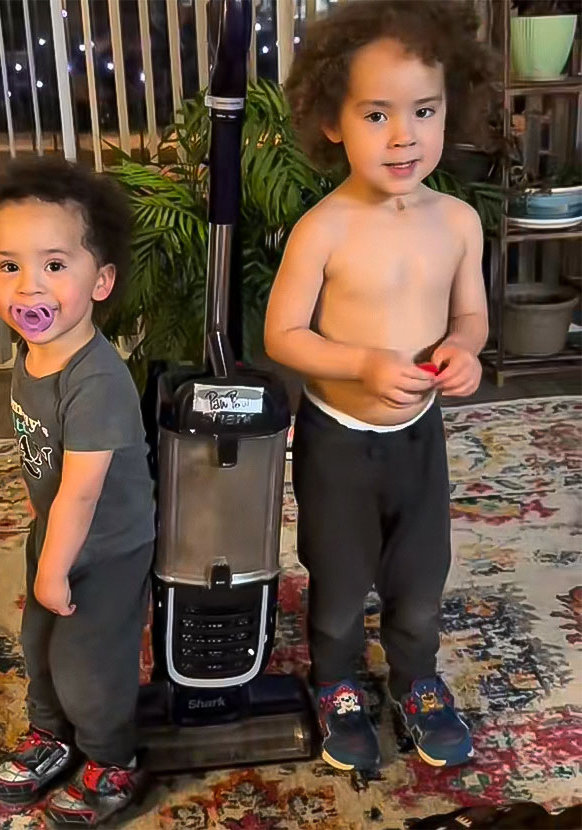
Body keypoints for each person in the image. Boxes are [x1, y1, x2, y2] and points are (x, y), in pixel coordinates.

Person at [265, 0, 495, 771]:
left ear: (447, 108)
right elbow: (282, 336)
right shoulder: (323, 228)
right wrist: (361, 363)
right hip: (338, 441)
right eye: (376, 113)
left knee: (421, 575)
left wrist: (465, 350)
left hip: (418, 438)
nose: (404, 135)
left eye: (423, 111)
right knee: (338, 578)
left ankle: (416, 679)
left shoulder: (460, 222)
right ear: (333, 120)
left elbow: (470, 315)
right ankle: (335, 682)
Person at [0, 156, 155, 828]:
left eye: (54, 265)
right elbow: (41, 461)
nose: (28, 286)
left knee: (89, 660)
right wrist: (39, 533)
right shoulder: (31, 353)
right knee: (38, 639)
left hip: (104, 546)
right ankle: (51, 733)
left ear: (100, 280)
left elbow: (81, 494)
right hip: (53, 531)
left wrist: (53, 564)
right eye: (8, 265)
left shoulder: (97, 382)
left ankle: (111, 758)